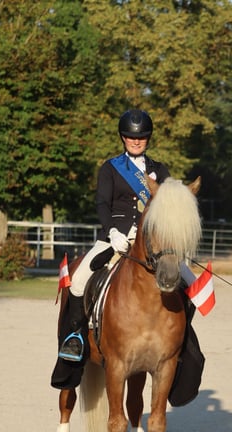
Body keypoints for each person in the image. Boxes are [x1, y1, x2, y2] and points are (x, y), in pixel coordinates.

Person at [57, 109, 170, 362]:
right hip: (114, 237)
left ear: (148, 139)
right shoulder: (110, 168)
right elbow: (101, 204)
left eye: (141, 137)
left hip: (151, 241)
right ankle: (74, 339)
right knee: (78, 282)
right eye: (131, 137)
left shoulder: (160, 171)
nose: (136, 141)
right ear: (123, 138)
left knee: (188, 285)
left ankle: (183, 343)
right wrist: (112, 232)